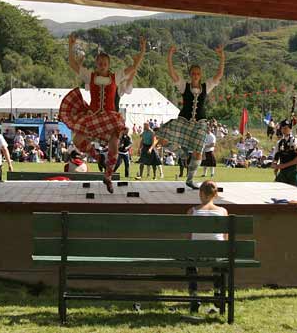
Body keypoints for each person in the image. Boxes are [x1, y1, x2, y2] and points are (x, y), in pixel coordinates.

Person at [60, 34, 145, 192]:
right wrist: (70, 46)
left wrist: (142, 51)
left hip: (110, 116)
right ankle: (98, 157)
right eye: (99, 63)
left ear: (109, 64)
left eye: (104, 63)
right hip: (93, 115)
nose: (102, 65)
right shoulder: (90, 75)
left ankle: (108, 176)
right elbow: (72, 64)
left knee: (114, 146)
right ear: (96, 64)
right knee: (78, 140)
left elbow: (133, 68)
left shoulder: (116, 76)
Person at [158, 44, 225, 189]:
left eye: (198, 73)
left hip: (200, 122)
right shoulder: (184, 86)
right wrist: (170, 55)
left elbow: (219, 75)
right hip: (184, 120)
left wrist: (221, 57)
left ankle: (190, 179)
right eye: (193, 73)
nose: (195, 75)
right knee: (162, 139)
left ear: (200, 75)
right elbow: (172, 72)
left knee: (198, 153)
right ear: (190, 75)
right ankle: (182, 154)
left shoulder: (206, 86)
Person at [186, 180, 227, 313]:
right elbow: (225, 238)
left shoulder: (192, 211)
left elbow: (189, 238)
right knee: (218, 252)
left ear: (200, 193)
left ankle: (194, 296)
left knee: (191, 257)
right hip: (217, 254)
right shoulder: (223, 211)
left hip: (196, 254)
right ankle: (217, 291)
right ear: (215, 195)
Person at [273, 119, 297, 187]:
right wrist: (275, 165)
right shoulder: (279, 143)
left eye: (286, 128)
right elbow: (276, 158)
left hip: (293, 173)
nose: (284, 130)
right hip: (282, 174)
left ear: (290, 129)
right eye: (283, 128)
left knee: (294, 195)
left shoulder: (295, 142)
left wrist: (284, 165)